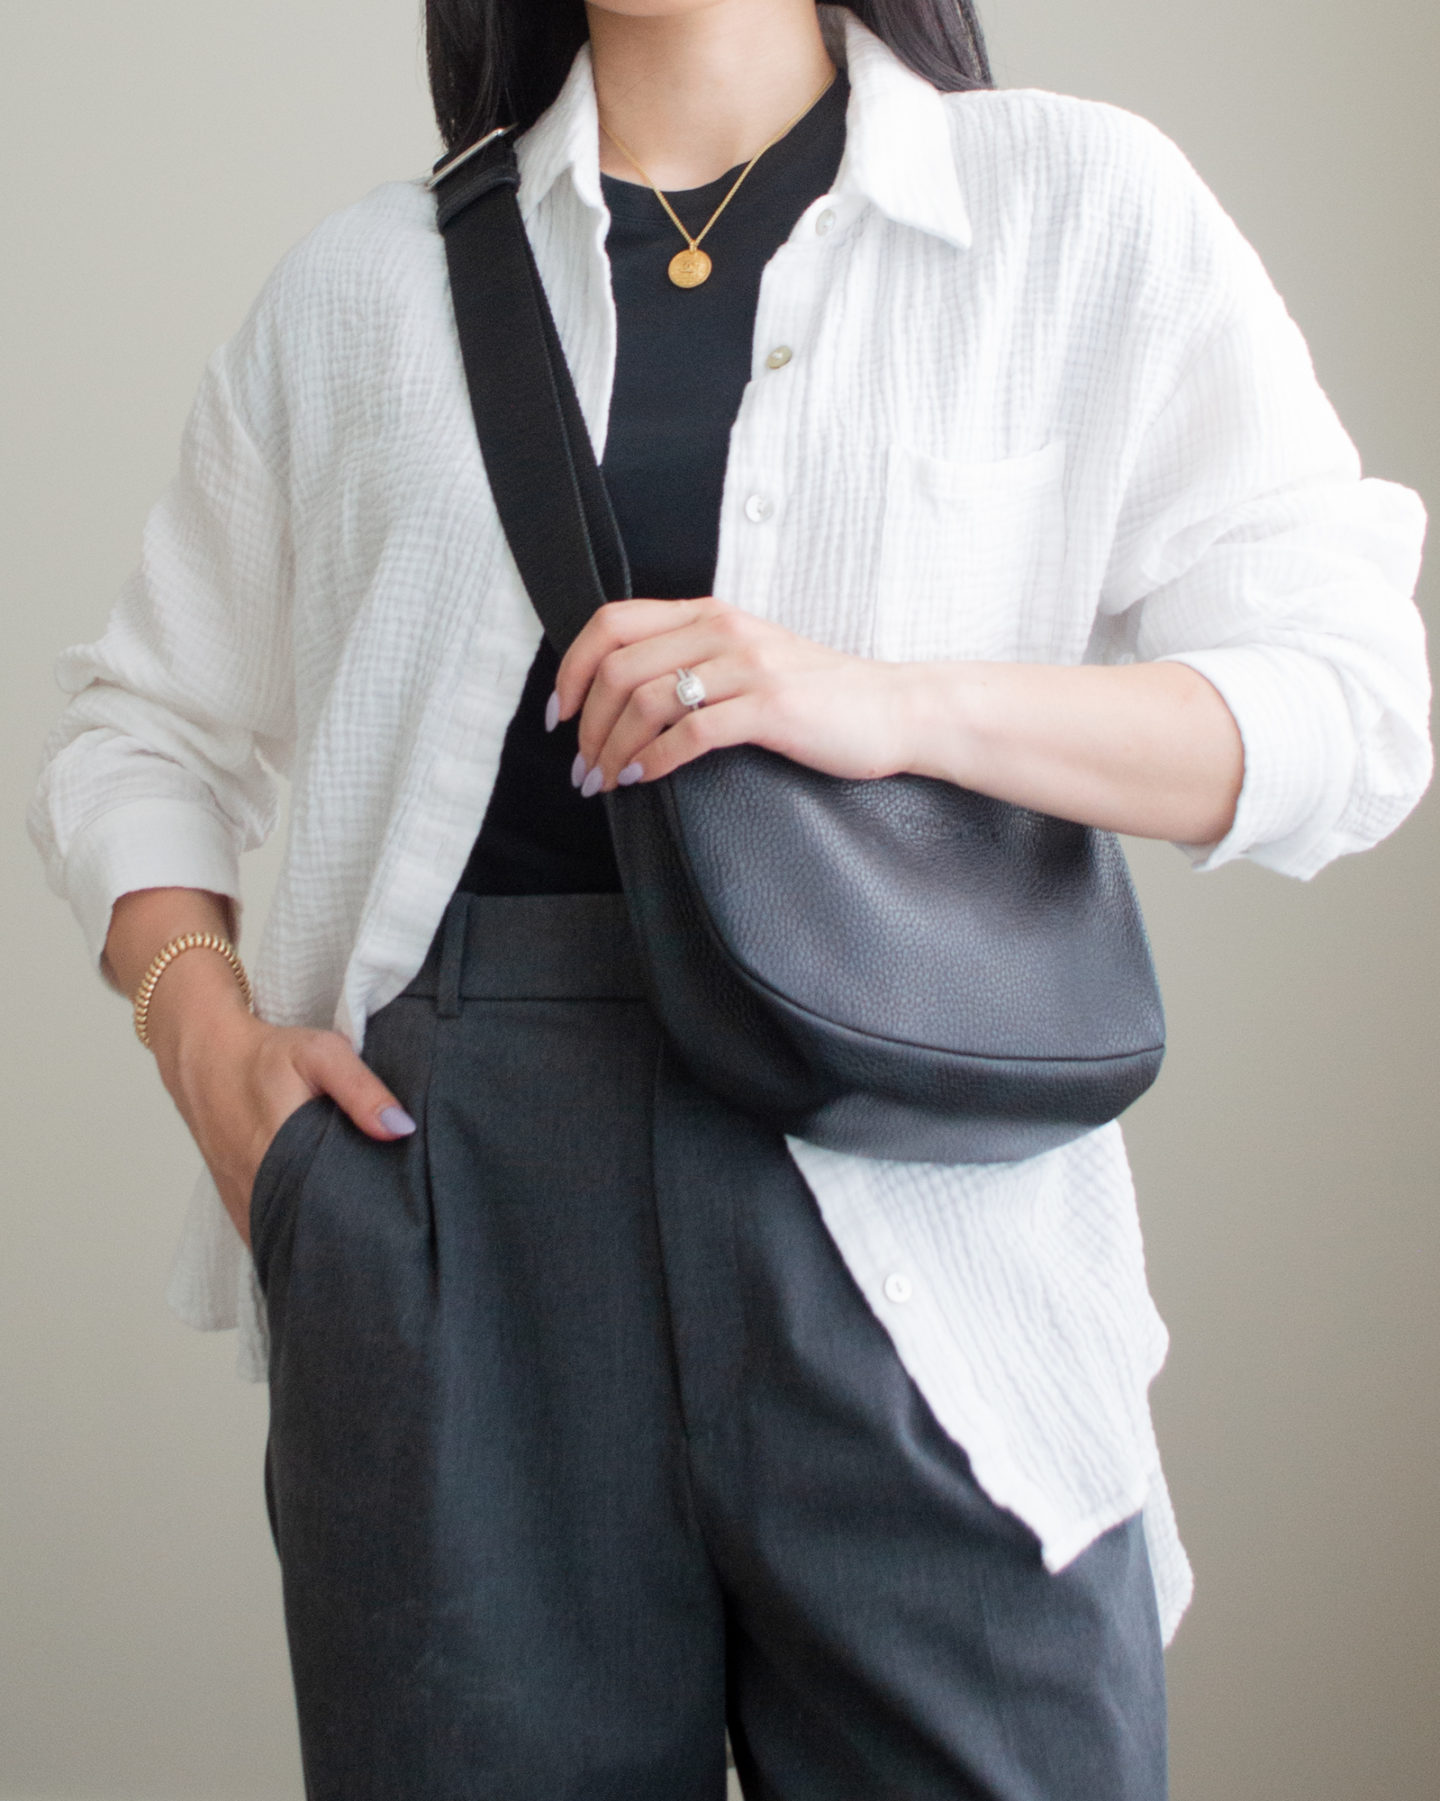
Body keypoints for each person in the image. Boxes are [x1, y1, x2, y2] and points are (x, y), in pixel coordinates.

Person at [27, 1, 1431, 1796]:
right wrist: (208, 1050)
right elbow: (139, 725)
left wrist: (891, 701)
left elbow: (1351, 702)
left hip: (933, 1235)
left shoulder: (1074, 210)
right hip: (462, 1214)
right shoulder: (364, 290)